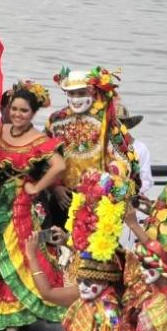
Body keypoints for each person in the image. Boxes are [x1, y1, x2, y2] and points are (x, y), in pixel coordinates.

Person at [24, 172, 134, 331]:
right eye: (82, 280)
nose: (83, 286)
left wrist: (32, 256)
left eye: (89, 281)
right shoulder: (95, 284)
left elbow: (48, 294)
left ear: (105, 281)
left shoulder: (106, 310)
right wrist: (67, 241)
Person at [0, 81, 67, 331]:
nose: (17, 114)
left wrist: (36, 186)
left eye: (24, 111)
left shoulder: (39, 140)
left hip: (19, 205)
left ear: (33, 113)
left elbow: (59, 166)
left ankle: (17, 320)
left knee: (14, 253)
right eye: (14, 109)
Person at [44, 66, 137, 228]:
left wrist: (104, 186)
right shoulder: (55, 120)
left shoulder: (108, 121)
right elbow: (43, 156)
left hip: (100, 201)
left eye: (81, 93)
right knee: (59, 247)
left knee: (95, 250)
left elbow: (125, 161)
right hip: (63, 199)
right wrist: (55, 187)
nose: (76, 98)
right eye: (72, 93)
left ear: (92, 92)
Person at [117, 104, 152, 195]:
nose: (117, 126)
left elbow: (146, 181)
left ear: (126, 125)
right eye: (114, 122)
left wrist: (128, 194)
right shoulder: (102, 146)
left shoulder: (140, 148)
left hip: (132, 198)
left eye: (121, 122)